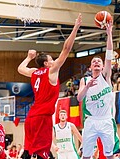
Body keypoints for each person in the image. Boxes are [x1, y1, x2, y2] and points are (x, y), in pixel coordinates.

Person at [17, 14, 82, 159]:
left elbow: (20, 69)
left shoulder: (34, 72)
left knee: (29, 152)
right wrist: (76, 28)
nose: (54, 61)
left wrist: (29, 58)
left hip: (31, 117)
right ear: (46, 64)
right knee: (42, 155)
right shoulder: (51, 71)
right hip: (42, 118)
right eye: (51, 59)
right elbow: (66, 49)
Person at [77, 20, 119, 159]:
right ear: (90, 67)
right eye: (93, 61)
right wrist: (87, 87)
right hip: (91, 120)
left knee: (109, 155)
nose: (96, 62)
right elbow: (79, 98)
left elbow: (108, 54)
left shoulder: (106, 76)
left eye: (98, 62)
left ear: (102, 67)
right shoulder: (85, 80)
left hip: (106, 120)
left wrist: (109, 34)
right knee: (86, 155)